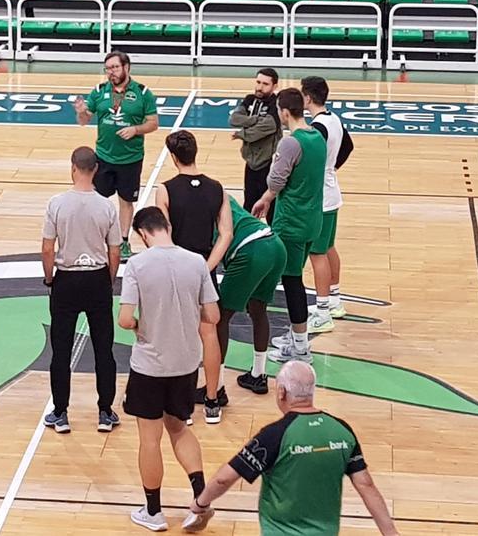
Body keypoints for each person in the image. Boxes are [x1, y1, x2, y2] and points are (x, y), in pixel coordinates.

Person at [189, 361, 399, 536]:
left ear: (281, 392)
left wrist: (201, 504)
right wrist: (391, 533)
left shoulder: (274, 435)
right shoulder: (342, 431)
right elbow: (366, 485)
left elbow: (223, 479)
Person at [119, 207, 218, 532]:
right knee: (179, 428)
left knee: (150, 439)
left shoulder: (137, 264)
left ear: (143, 234)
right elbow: (213, 316)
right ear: (168, 227)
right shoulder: (196, 262)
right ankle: (200, 499)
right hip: (186, 363)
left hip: (150, 365)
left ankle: (153, 512)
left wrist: (138, 325)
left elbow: (125, 319)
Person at [40, 147, 123, 434]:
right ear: (96, 169)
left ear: (73, 167)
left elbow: (48, 248)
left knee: (60, 350)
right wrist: (108, 280)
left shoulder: (57, 203)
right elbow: (115, 251)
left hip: (66, 279)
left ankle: (61, 413)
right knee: (104, 349)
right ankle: (105, 412)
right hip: (97, 279)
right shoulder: (106, 206)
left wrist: (50, 279)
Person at [153, 130, 232, 424]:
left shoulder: (166, 189)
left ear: (173, 157)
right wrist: (207, 267)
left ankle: (181, 404)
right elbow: (226, 234)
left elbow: (164, 234)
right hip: (204, 268)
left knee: (177, 335)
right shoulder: (218, 188)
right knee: (209, 334)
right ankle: (212, 401)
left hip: (176, 268)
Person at [252, 88, 325, 364]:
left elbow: (275, 181)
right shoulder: (317, 136)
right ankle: (297, 338)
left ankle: (301, 347)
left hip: (292, 222)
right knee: (294, 277)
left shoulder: (290, 143)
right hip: (312, 222)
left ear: (284, 111)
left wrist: (265, 199)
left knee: (292, 282)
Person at [73, 51, 158, 259]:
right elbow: (84, 121)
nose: (111, 72)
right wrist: (81, 111)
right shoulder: (99, 91)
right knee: (98, 200)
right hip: (103, 157)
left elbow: (153, 124)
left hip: (131, 158)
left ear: (127, 67)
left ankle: (123, 241)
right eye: (108, 68)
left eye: (115, 67)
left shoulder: (143, 93)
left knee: (126, 201)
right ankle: (96, 238)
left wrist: (135, 130)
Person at [215, 196, 286, 395]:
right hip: (274, 243)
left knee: (219, 317)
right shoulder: (224, 197)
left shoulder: (199, 211)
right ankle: (258, 374)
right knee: (258, 309)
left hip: (251, 249)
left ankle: (216, 387)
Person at [302, 76, 352, 334]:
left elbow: (310, 162)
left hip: (320, 196)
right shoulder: (334, 119)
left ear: (308, 98)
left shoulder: (317, 127)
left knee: (317, 253)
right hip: (333, 192)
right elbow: (349, 146)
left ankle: (322, 312)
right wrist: (332, 168)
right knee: (329, 246)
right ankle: (334, 300)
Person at [229, 68, 282, 216]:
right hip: (251, 163)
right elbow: (234, 119)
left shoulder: (276, 104)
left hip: (268, 164)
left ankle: (274, 238)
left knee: (271, 209)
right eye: (258, 82)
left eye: (265, 84)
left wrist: (242, 133)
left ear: (274, 86)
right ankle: (250, 238)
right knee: (249, 206)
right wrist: (256, 120)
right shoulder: (249, 99)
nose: (260, 87)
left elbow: (269, 126)